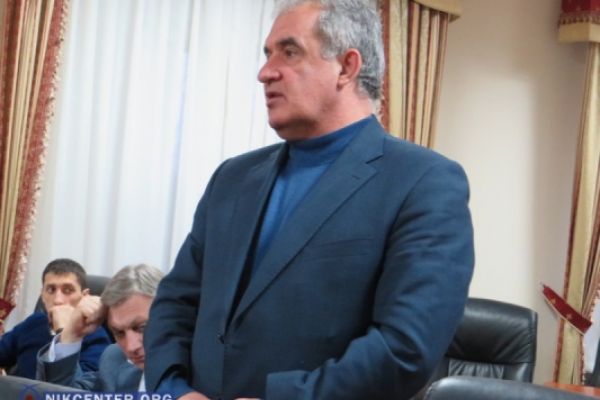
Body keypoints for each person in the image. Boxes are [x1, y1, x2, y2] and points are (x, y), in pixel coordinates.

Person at [144, 0, 474, 399]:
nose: (265, 72)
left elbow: (404, 347)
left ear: (347, 67)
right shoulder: (232, 178)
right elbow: (175, 303)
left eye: (289, 51)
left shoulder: (424, 182)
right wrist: (175, 389)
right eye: (267, 54)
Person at [36, 264, 164, 393]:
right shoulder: (115, 358)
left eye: (142, 327)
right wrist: (71, 334)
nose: (131, 347)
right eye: (119, 333)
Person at [0, 258, 110, 379]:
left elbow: (78, 387)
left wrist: (64, 332)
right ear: (42, 295)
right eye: (51, 290)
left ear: (84, 296)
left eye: (68, 290)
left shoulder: (96, 335)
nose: (58, 300)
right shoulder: (34, 322)